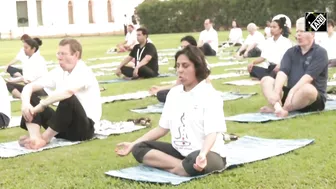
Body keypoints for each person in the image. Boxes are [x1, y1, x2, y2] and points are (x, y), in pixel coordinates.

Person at [116, 45, 227, 177]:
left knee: (194, 159)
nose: (180, 70)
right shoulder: (174, 94)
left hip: (207, 153)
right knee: (139, 148)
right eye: (178, 65)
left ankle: (177, 166)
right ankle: (180, 168)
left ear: (197, 68)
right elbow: (162, 129)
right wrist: (133, 143)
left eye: (185, 66)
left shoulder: (210, 95)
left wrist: (203, 154)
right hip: (180, 153)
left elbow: (211, 133)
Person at [18, 38, 102, 150]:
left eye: (63, 53)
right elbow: (29, 86)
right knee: (31, 98)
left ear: (76, 55)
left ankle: (44, 138)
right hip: (61, 126)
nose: (59, 57)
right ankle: (35, 138)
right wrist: (25, 104)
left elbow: (68, 93)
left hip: (82, 129)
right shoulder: (59, 71)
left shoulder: (83, 71)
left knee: (68, 98)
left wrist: (42, 105)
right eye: (58, 53)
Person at [259, 17, 328, 118]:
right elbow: (282, 72)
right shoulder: (291, 52)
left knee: (308, 89)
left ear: (312, 34)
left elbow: (307, 78)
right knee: (266, 80)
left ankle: (285, 109)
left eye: (302, 31)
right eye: (297, 31)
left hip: (311, 99)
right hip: (291, 97)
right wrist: (277, 91)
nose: (298, 34)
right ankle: (278, 108)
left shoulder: (320, 52)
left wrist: (291, 92)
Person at [150, 36, 211, 103]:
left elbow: (207, 83)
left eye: (185, 47)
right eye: (182, 47)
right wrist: (159, 88)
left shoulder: (200, 62)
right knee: (162, 94)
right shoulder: (182, 60)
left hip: (197, 93)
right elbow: (178, 84)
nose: (180, 70)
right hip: (184, 91)